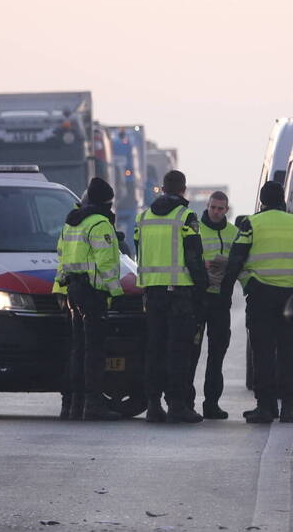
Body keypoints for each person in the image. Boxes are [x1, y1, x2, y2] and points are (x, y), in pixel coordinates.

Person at [221, 181, 293, 424]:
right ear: (282, 199)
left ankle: (265, 407)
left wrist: (226, 293)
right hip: (292, 298)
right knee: (289, 352)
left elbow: (235, 260)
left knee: (263, 352)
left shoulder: (252, 223)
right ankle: (289, 408)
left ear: (262, 201)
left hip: (262, 295)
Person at [135, 170, 209, 424]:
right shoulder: (186, 217)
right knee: (178, 352)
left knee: (154, 350)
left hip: (152, 293)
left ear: (162, 188)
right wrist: (202, 289)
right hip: (179, 294)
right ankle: (177, 405)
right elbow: (194, 258)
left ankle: (153, 405)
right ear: (183, 190)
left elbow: (139, 251)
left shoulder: (143, 217)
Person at [53, 177, 124, 421]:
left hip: (73, 292)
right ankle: (93, 404)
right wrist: (116, 294)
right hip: (93, 294)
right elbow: (106, 264)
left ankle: (71, 404)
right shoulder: (100, 224)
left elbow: (62, 260)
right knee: (94, 351)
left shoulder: (70, 224)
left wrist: (60, 291)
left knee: (76, 348)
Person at [189, 191, 238, 419]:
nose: (216, 212)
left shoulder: (233, 233)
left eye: (220, 208)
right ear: (207, 206)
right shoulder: (195, 229)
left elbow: (241, 261)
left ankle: (211, 404)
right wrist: (203, 264)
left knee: (217, 354)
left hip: (221, 300)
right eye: (213, 207)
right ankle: (187, 403)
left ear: (226, 210)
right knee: (191, 353)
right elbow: (184, 258)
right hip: (199, 298)